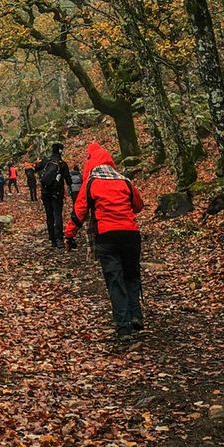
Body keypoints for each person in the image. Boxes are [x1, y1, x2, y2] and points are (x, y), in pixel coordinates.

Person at [65, 145, 145, 339]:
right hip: (130, 235)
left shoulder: (91, 183)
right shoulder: (124, 181)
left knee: (115, 279)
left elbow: (80, 212)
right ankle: (136, 315)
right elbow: (138, 206)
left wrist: (69, 234)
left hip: (106, 236)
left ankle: (123, 325)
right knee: (132, 275)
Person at [40, 142, 70, 247]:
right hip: (57, 193)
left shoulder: (46, 162)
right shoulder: (62, 163)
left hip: (45, 192)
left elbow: (37, 169)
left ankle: (52, 239)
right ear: (60, 151)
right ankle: (59, 239)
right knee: (57, 214)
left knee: (49, 215)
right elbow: (69, 180)